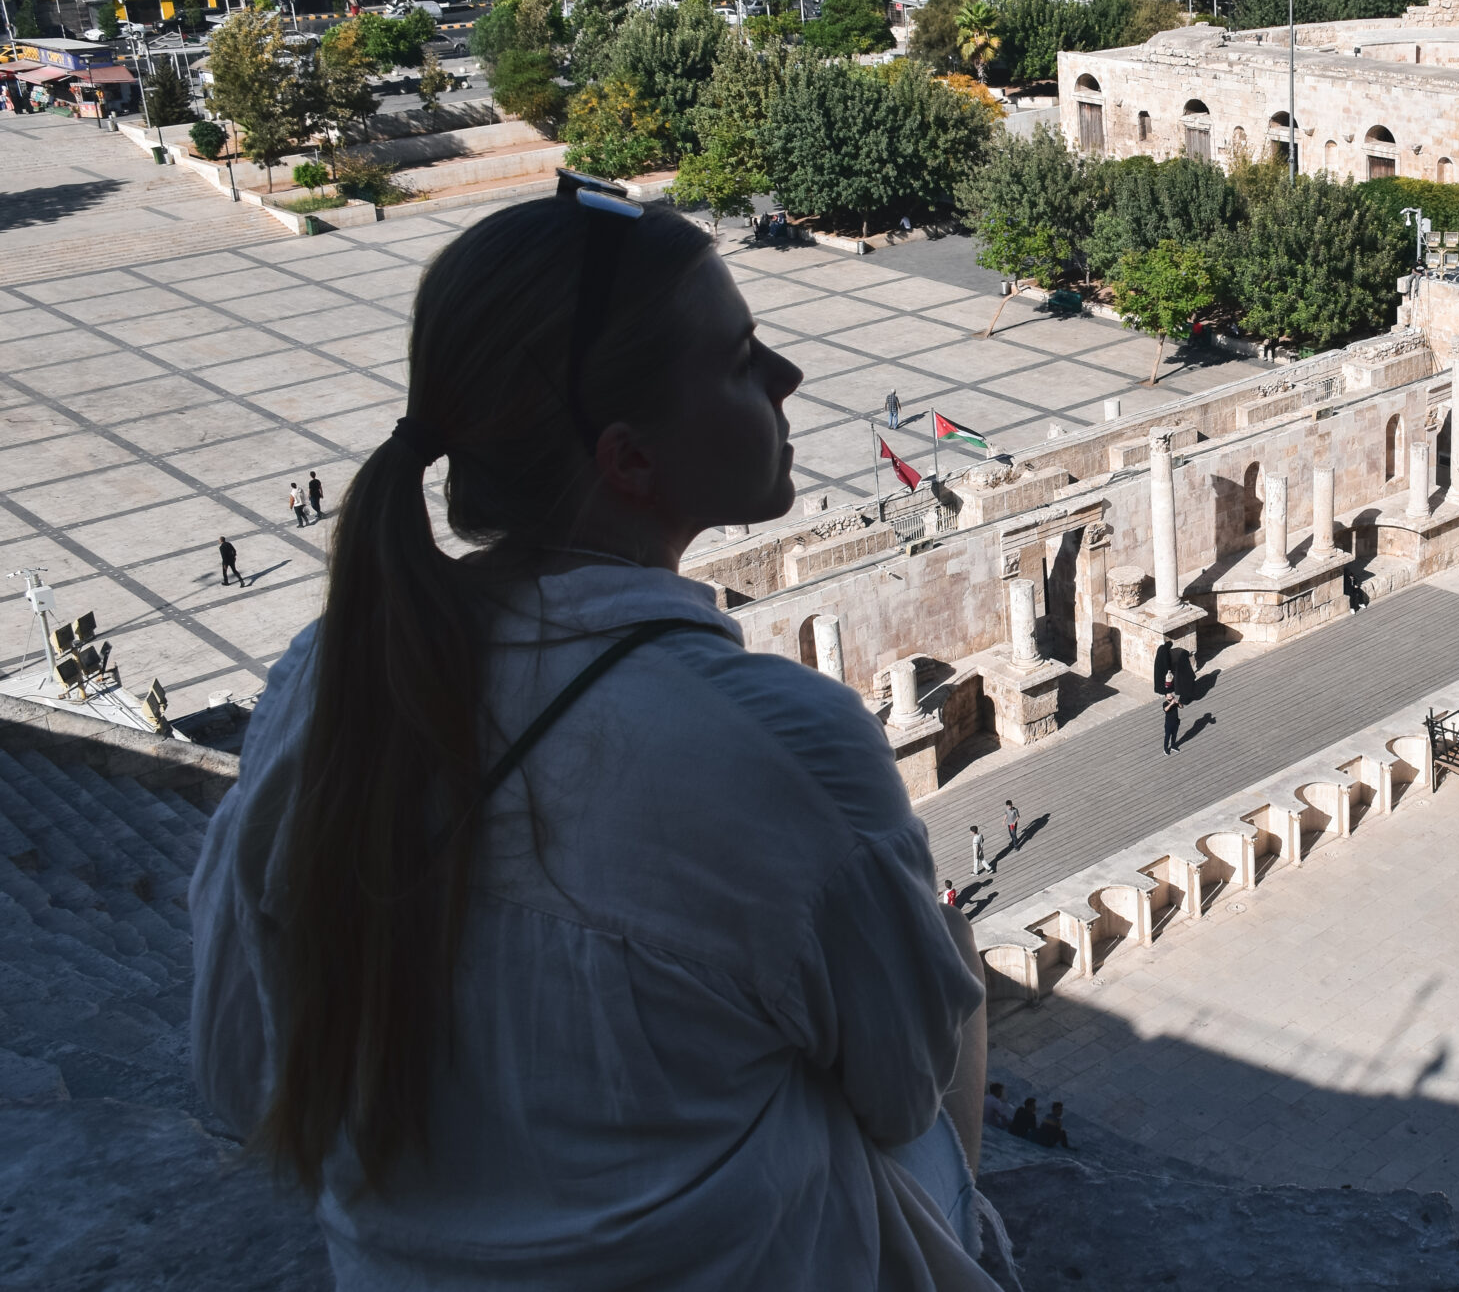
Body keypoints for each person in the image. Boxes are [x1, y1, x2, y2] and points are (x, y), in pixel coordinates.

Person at [189, 178, 1000, 1289]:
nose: (786, 377)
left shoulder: (320, 682)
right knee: (948, 961)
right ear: (628, 460)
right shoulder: (777, 744)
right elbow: (901, 1089)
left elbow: (240, 1072)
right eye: (737, 359)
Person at [1162, 689, 1182, 755]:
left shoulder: (1175, 702)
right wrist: (1171, 704)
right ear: (1166, 697)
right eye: (1170, 697)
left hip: (1176, 722)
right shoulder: (1165, 703)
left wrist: (1178, 702)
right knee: (1167, 736)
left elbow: (1182, 707)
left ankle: (1173, 746)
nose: (1171, 698)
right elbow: (1165, 710)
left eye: (1172, 696)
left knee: (1174, 735)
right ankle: (1165, 749)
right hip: (1169, 724)